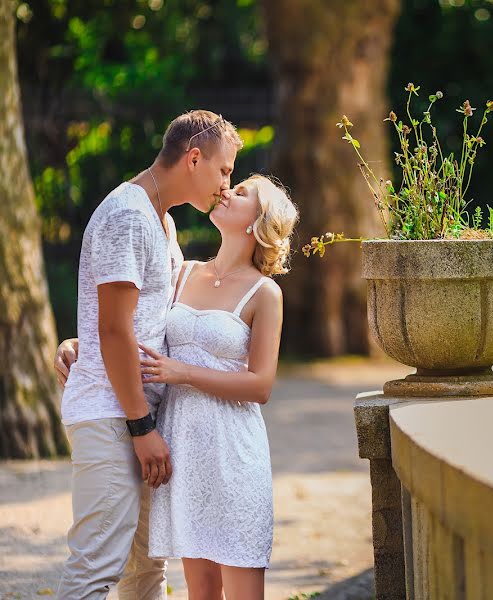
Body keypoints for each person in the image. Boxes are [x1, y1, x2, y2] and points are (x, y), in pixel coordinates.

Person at [55, 110, 242, 599]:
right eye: (225, 171)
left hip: (139, 417)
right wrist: (141, 428)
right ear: (194, 158)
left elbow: (136, 320)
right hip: (114, 416)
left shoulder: (161, 223)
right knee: (96, 568)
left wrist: (80, 342)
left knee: (145, 574)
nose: (228, 185)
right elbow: (116, 331)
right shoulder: (127, 216)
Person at [140, 174, 297, 598]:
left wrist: (183, 373)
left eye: (241, 192)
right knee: (201, 593)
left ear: (257, 222)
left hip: (234, 454)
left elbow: (260, 384)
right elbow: (132, 330)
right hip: (185, 451)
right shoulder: (183, 272)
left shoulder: (266, 293)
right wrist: (78, 344)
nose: (226, 190)